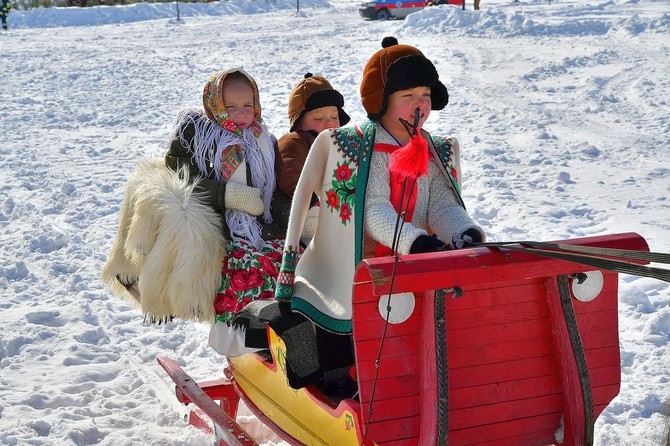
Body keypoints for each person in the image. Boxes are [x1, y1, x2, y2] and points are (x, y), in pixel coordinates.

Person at [270, 37, 486, 391]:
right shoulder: (366, 148)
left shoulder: (429, 147)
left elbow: (440, 204)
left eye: (425, 95)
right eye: (408, 96)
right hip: (364, 265)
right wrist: (415, 243)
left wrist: (462, 230)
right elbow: (372, 210)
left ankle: (416, 380)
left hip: (413, 260)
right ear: (383, 101)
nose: (420, 105)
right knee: (361, 329)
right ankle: (351, 384)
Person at [163, 68, 288, 356]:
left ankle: (286, 337)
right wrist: (228, 195)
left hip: (261, 226)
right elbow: (179, 179)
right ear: (215, 106)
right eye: (230, 108)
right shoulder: (200, 137)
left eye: (247, 106)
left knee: (292, 261)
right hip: (219, 229)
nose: (240, 114)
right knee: (248, 267)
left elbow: (275, 191)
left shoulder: (263, 139)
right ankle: (246, 344)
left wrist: (291, 217)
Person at [275, 73, 350, 245]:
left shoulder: (342, 144)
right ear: (299, 122)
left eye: (334, 117)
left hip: (337, 211)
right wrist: (321, 201)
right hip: (301, 214)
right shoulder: (294, 141)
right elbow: (292, 178)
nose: (329, 123)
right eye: (318, 118)